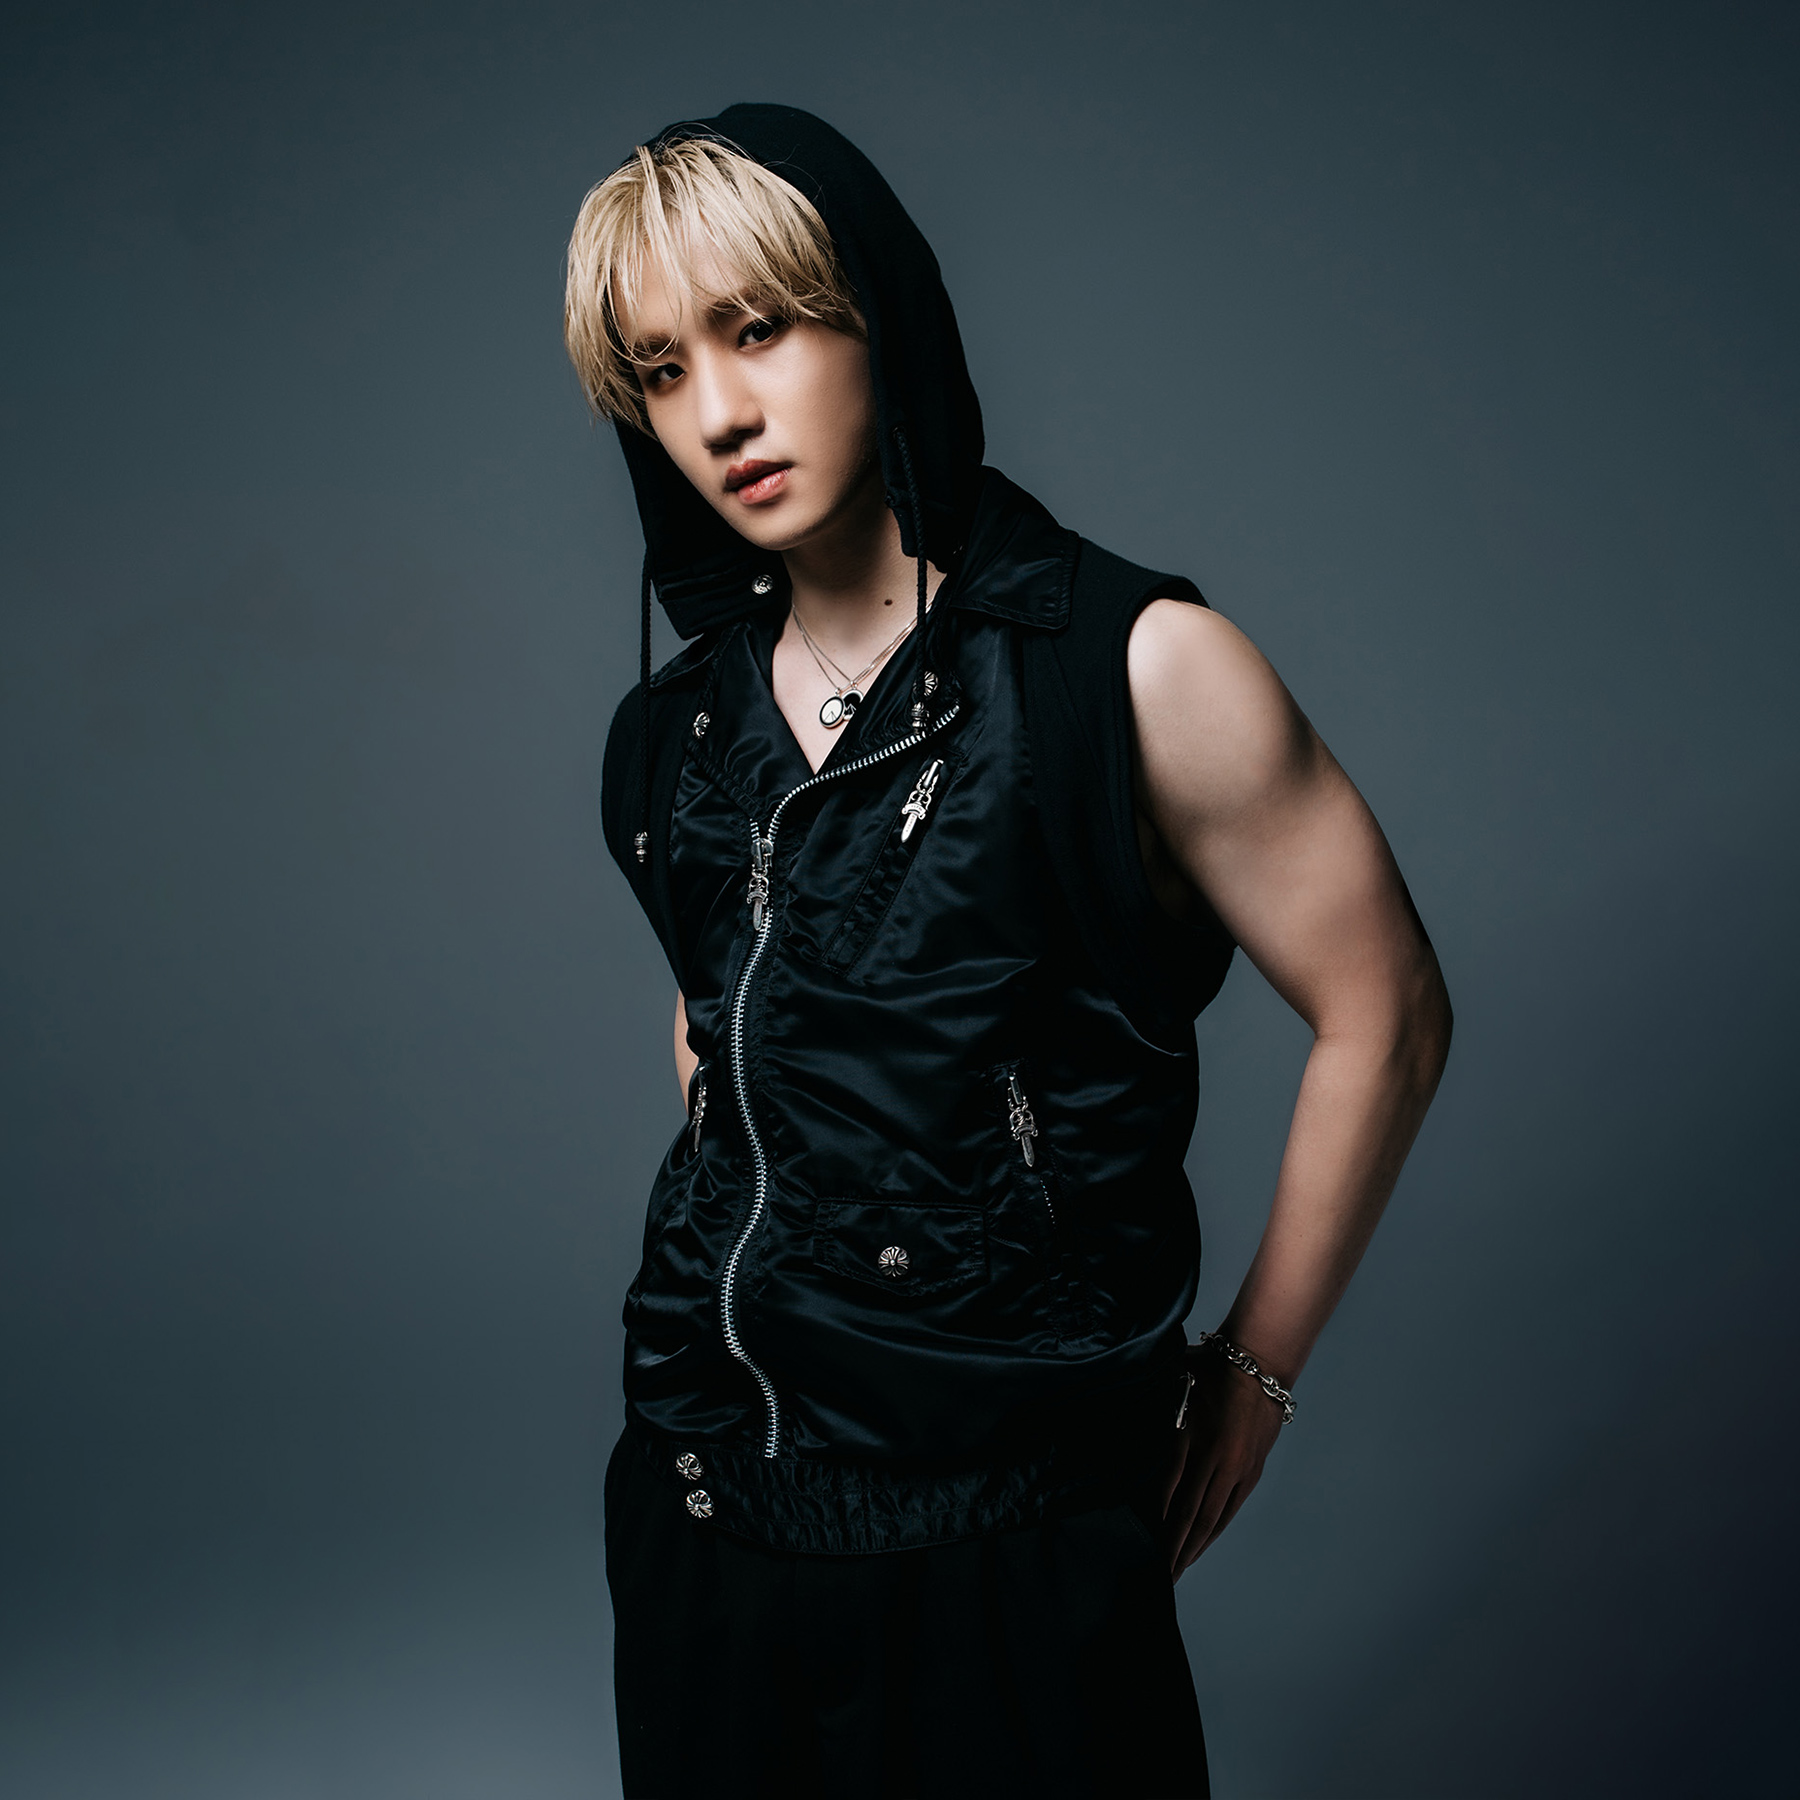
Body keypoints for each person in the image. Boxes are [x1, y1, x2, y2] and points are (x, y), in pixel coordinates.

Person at [563, 104, 1451, 1799]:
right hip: (700, 1509)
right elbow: (718, 1036)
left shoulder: (1133, 668)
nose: (721, 412)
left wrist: (1254, 1372)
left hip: (1009, 1535)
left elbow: (1388, 1010)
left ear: (878, 316)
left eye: (761, 329)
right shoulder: (669, 738)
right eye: (664, 371)